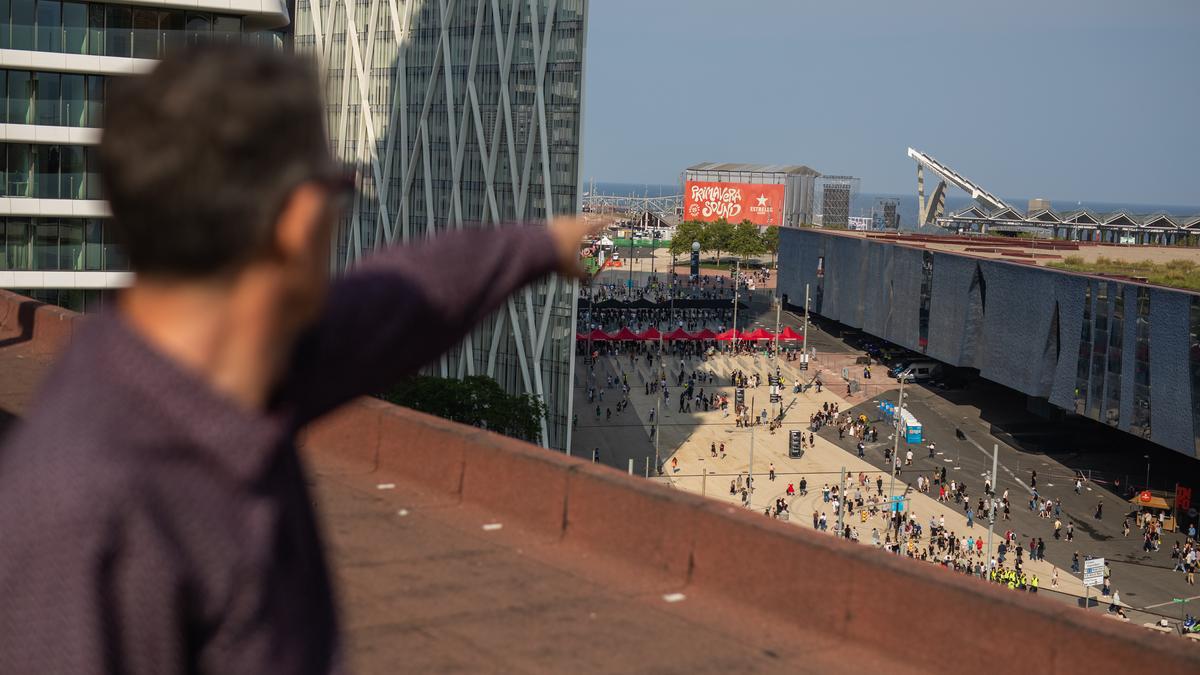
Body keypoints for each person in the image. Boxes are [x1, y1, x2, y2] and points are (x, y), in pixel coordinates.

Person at [0, 46, 599, 673]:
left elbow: (395, 303)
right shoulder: (83, 505)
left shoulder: (240, 371)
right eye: (340, 186)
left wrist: (537, 245)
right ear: (300, 216)